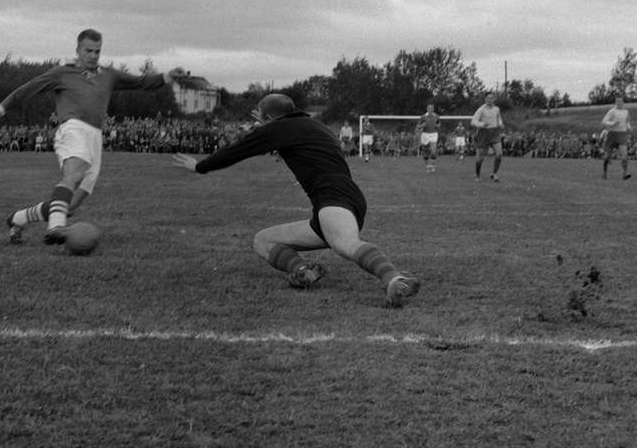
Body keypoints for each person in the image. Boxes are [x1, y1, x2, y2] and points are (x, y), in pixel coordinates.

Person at [171, 93, 420, 307]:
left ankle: (394, 279)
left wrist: (200, 166)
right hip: (344, 198)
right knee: (264, 240)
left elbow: (238, 150)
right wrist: (267, 129)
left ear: (269, 119)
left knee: (346, 244)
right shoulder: (317, 125)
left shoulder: (279, 128)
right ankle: (302, 271)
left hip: (332, 196)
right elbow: (291, 138)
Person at [0, 29, 184, 244]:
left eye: (97, 51)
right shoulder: (62, 72)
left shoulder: (109, 75)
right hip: (72, 128)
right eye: (88, 50)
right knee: (74, 175)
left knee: (68, 206)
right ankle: (56, 227)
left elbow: (141, 82)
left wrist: (168, 76)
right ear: (78, 50)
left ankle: (17, 219)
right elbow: (29, 89)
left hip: (95, 137)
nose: (93, 55)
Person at [470, 92, 505, 182]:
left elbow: (499, 118)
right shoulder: (481, 109)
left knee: (499, 154)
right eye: (488, 98)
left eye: (491, 98)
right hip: (483, 133)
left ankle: (495, 173)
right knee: (480, 158)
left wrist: (500, 124)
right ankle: (477, 175)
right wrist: (482, 124)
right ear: (485, 99)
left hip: (494, 132)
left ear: (494, 99)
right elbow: (473, 121)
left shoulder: (496, 109)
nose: (490, 100)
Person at [599, 95, 632, 180]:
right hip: (612, 134)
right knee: (607, 156)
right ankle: (604, 171)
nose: (619, 103)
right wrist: (612, 124)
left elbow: (626, 121)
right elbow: (604, 121)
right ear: (615, 103)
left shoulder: (626, 112)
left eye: (621, 101)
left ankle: (625, 173)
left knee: (624, 154)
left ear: (623, 103)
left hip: (622, 134)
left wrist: (629, 127)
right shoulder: (612, 111)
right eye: (617, 101)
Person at [416, 103, 440, 173]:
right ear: (427, 109)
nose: (430, 109)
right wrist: (422, 126)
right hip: (425, 135)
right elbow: (418, 126)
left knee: (433, 151)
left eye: (431, 108)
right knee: (425, 153)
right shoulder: (423, 117)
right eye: (429, 108)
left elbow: (438, 124)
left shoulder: (437, 116)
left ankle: (432, 166)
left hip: (433, 134)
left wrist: (438, 126)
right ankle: (427, 166)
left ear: (433, 109)